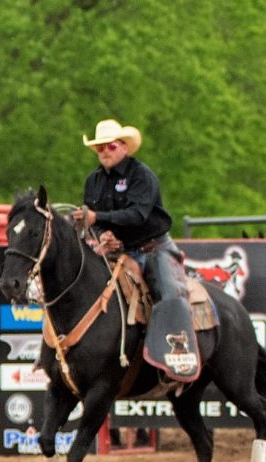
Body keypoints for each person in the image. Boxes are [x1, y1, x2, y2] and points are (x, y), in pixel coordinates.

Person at [73, 119, 200, 382]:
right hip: (118, 251)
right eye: (99, 148)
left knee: (167, 292)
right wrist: (102, 234)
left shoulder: (142, 176)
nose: (105, 152)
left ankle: (178, 356)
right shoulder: (93, 181)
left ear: (123, 147)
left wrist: (98, 218)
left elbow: (138, 215)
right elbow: (94, 223)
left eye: (109, 146)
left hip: (153, 247)